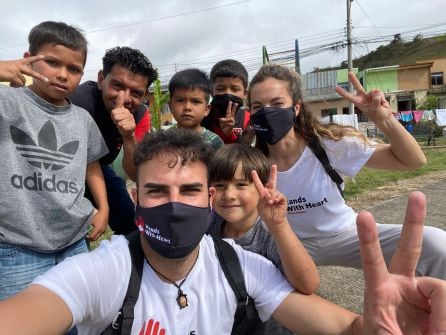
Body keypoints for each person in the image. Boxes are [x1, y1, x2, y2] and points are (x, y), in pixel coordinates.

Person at [1, 128, 446, 335]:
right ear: (135, 199)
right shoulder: (106, 270)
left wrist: (382, 327)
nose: (174, 204)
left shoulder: (238, 265)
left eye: (190, 189)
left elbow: (343, 326)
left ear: (207, 199)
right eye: (157, 191)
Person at [248, 63, 446, 279]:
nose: (267, 112)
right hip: (289, 244)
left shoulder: (328, 144)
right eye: (258, 106)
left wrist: (384, 119)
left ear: (295, 108)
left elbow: (413, 161)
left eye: (277, 103)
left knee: (435, 244)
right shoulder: (251, 161)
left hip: (345, 235)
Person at [0, 21, 109, 300]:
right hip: (17, 248)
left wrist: (104, 206)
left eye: (73, 69)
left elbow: (91, 164)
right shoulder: (7, 101)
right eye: (51, 62)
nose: (63, 75)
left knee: (77, 318)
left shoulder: (82, 119)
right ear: (28, 61)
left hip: (74, 242)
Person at [208, 143, 319, 334]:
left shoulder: (270, 234)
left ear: (262, 188)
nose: (229, 195)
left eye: (241, 184)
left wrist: (279, 225)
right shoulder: (210, 225)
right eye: (220, 185)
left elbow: (308, 284)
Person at [70, 46, 158, 235]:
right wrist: (98, 208)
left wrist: (128, 136)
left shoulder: (141, 115)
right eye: (117, 85)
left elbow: (135, 175)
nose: (124, 98)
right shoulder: (76, 103)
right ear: (101, 79)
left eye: (136, 93)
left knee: (132, 225)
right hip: (63, 171)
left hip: (100, 167)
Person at [168, 68, 224, 150]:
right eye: (180, 100)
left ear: (207, 109)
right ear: (170, 106)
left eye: (195, 101)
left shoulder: (215, 142)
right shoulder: (164, 139)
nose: (187, 107)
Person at [202, 59, 251, 143]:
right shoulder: (203, 117)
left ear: (245, 94)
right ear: (211, 91)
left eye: (235, 89)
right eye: (220, 89)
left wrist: (229, 135)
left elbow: (247, 151)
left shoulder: (248, 119)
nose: (228, 94)